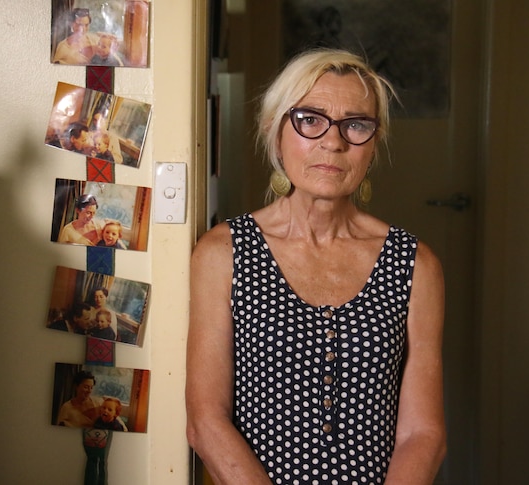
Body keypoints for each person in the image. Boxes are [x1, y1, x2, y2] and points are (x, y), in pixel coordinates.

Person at [185, 48, 446, 485]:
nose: (333, 141)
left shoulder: (416, 264)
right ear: (275, 130)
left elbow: (424, 433)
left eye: (356, 125)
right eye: (310, 119)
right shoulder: (223, 253)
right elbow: (206, 422)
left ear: (373, 144)